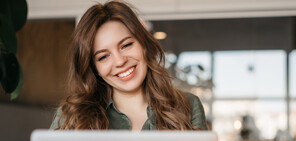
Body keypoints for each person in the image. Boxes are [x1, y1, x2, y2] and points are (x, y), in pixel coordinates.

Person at [50, 0, 207, 131]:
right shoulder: (71, 116)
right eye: (103, 57)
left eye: (126, 45)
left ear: (143, 43)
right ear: (93, 68)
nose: (120, 61)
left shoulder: (188, 105)